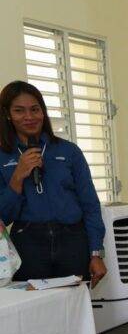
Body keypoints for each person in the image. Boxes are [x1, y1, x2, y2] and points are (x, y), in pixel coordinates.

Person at [0, 81, 106, 286]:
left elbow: (90, 206)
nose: (29, 117)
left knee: (74, 309)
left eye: (35, 109)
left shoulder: (69, 151)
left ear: (43, 112)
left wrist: (96, 253)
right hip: (28, 244)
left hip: (72, 241)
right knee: (35, 313)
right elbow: (3, 217)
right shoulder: (2, 157)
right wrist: (17, 177)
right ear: (7, 115)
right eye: (19, 111)